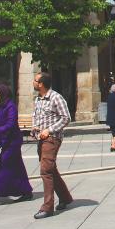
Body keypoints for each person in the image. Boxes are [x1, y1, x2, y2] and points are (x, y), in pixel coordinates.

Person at [30, 72, 73, 219]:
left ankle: (47, 207)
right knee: (51, 169)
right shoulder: (38, 99)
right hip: (40, 138)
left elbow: (66, 118)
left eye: (35, 80)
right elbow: (36, 116)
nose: (33, 82)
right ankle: (65, 197)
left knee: (45, 171)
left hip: (52, 138)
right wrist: (35, 127)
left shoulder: (56, 97)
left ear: (41, 84)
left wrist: (49, 130)